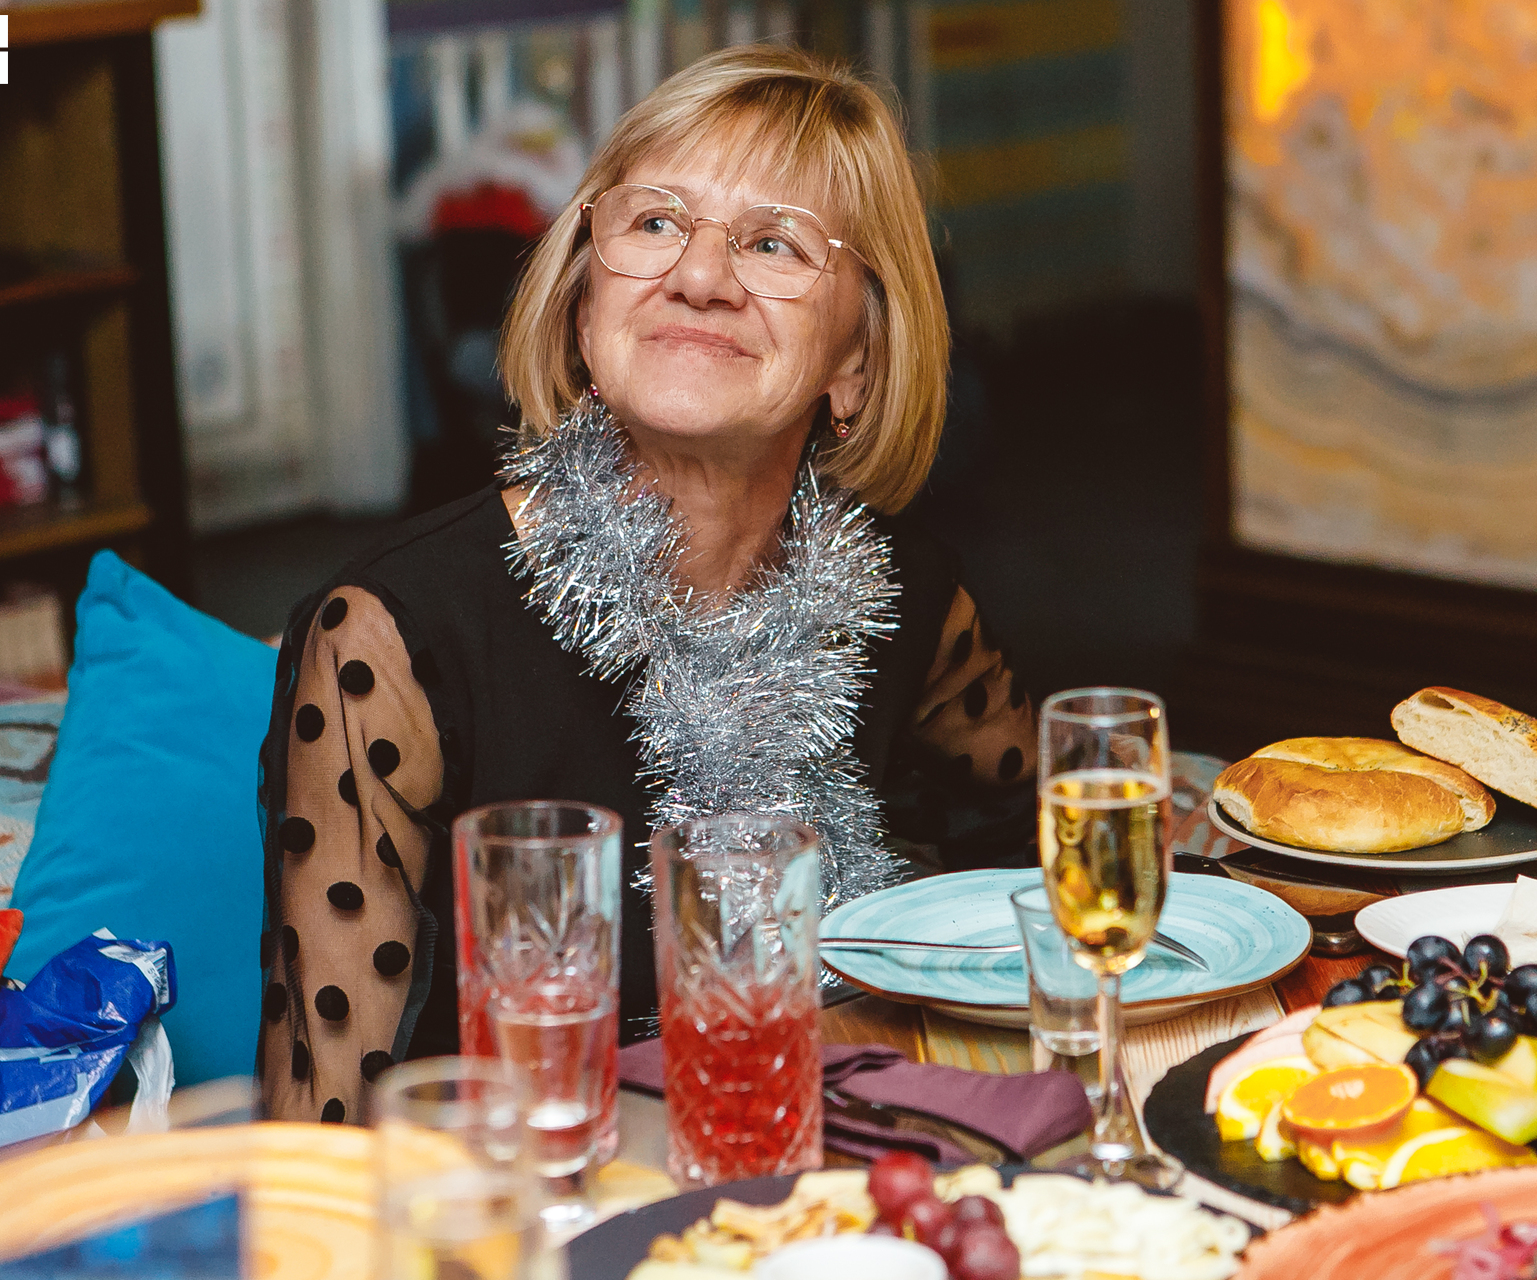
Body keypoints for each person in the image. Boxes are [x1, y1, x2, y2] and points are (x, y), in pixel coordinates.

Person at [258, 44, 1036, 1124]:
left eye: (772, 242)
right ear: (585, 311)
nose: (701, 277)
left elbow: (1053, 873)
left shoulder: (905, 596)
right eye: (657, 224)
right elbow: (321, 1134)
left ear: (855, 361)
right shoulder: (390, 637)